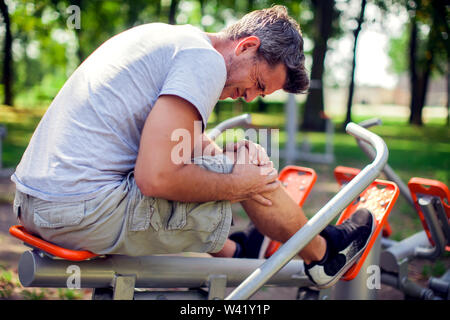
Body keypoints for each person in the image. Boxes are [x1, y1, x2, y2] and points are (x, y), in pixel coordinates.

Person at [11, 5, 374, 288]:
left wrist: (230, 157)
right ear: (247, 45)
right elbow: (156, 177)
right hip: (79, 212)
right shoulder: (206, 62)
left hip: (36, 202)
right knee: (243, 175)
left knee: (232, 163)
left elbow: (175, 141)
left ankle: (241, 250)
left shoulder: (168, 39)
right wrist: (243, 182)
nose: (249, 98)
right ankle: (325, 254)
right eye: (258, 84)